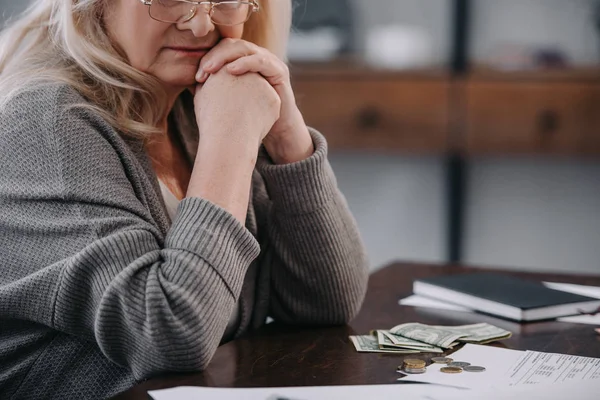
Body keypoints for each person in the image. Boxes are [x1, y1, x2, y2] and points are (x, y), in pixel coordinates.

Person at [0, 0, 369, 399]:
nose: (200, 26)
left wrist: (287, 137)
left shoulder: (196, 103)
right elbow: (169, 333)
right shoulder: (45, 121)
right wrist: (231, 140)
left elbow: (327, 301)